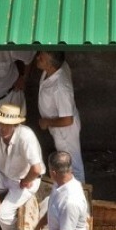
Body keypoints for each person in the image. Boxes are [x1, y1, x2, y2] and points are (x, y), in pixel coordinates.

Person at [35, 50, 85, 183]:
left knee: (72, 164)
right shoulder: (58, 67)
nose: (38, 57)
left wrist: (47, 122)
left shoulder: (60, 88)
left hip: (65, 131)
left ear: (51, 64)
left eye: (42, 57)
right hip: (59, 128)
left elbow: (67, 120)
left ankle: (81, 194)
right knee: (68, 161)